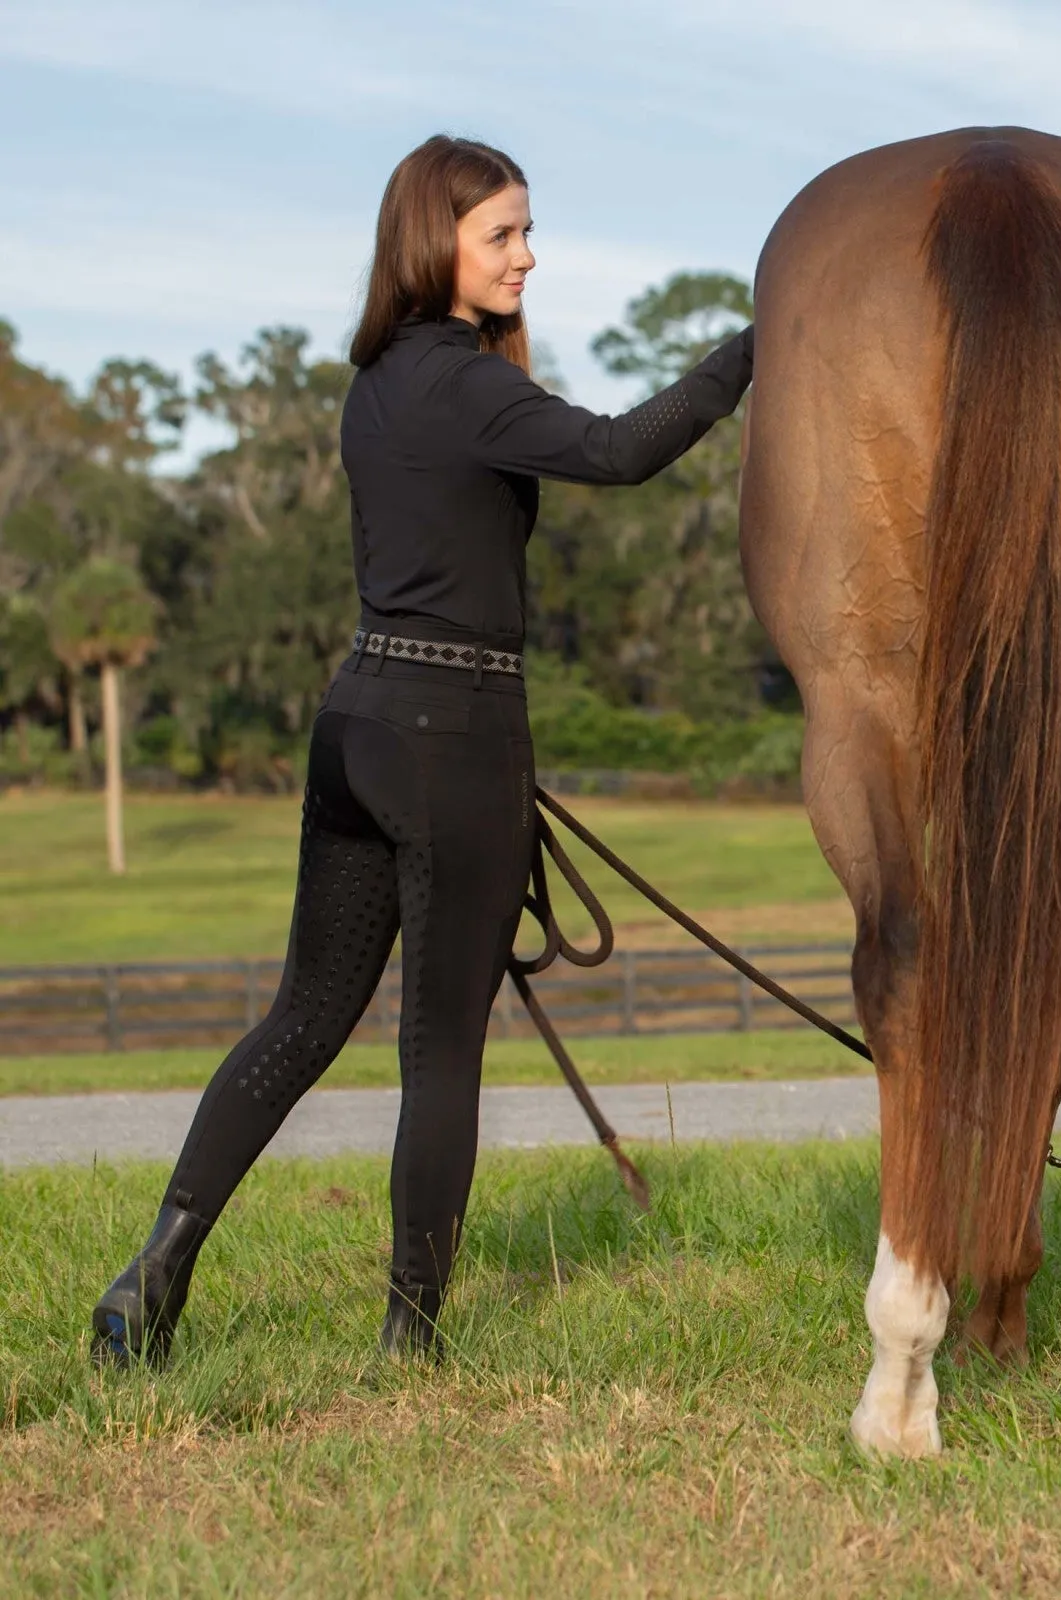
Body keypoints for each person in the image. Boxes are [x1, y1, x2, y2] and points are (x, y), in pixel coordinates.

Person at [93, 134, 754, 1365]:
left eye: (524, 231)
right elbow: (618, 449)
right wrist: (753, 349)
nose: (526, 255)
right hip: (454, 735)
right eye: (501, 234)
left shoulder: (377, 381)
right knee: (440, 1046)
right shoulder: (469, 385)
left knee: (298, 1019)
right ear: (434, 241)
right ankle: (411, 1337)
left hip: (356, 721)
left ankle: (150, 1277)